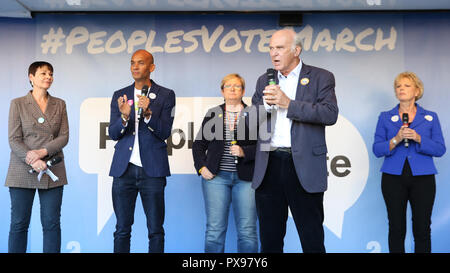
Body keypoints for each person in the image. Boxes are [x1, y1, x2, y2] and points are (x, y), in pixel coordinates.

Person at [251, 28, 338, 253]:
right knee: (269, 241)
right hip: (269, 165)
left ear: (296, 50)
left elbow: (329, 114)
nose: (273, 53)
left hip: (303, 167)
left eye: (279, 48)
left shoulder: (321, 77)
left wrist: (288, 103)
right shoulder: (264, 80)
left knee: (311, 239)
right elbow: (252, 121)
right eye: (271, 48)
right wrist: (262, 109)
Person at [108, 49, 176, 253]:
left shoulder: (166, 95)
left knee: (155, 230)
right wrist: (124, 118)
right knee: (122, 229)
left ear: (151, 67)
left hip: (152, 172)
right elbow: (113, 133)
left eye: (140, 63)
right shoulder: (120, 96)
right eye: (132, 63)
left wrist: (148, 115)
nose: (135, 67)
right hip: (124, 171)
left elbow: (164, 132)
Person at [373, 71, 445, 253]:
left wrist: (419, 138)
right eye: (398, 86)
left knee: (422, 228)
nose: (401, 89)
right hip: (393, 178)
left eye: (406, 85)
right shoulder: (385, 117)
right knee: (396, 228)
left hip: (423, 179)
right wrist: (396, 139)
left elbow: (440, 149)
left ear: (417, 90)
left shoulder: (430, 117)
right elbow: (377, 149)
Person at [5, 61, 69, 253]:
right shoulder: (17, 104)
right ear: (31, 77)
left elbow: (64, 136)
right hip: (22, 168)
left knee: (51, 223)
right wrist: (33, 158)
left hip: (52, 167)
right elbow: (14, 139)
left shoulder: (60, 104)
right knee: (19, 223)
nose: (48, 77)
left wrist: (43, 153)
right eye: (43, 73)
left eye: (50, 73)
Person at [192, 73, 258, 253]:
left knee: (248, 232)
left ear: (243, 90)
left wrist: (245, 151)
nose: (232, 89)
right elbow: (198, 144)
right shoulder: (214, 113)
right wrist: (201, 167)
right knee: (214, 231)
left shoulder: (253, 113)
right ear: (222, 91)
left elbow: (264, 147)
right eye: (228, 86)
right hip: (216, 178)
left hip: (246, 179)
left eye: (237, 86)